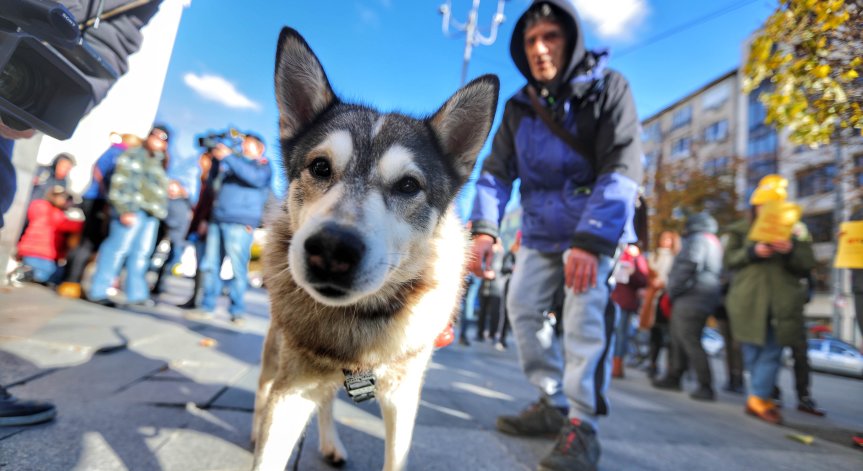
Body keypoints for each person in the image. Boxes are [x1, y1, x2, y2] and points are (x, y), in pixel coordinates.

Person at [468, 1, 643, 469]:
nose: (540, 49)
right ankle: (552, 402)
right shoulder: (519, 107)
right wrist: (484, 229)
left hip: (594, 231)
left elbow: (622, 166)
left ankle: (584, 425)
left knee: (585, 321)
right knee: (521, 307)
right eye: (530, 40)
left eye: (551, 36)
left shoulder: (608, 89)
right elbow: (494, 174)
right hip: (542, 231)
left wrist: (590, 242)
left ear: (571, 38)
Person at [724, 174, 816, 425]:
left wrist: (790, 251)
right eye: (762, 204)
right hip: (748, 299)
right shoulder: (740, 230)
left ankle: (758, 396)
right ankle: (759, 396)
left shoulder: (797, 231)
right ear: (754, 207)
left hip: (781, 300)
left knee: (773, 350)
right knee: (752, 349)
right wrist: (753, 251)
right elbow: (728, 260)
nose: (766, 209)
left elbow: (807, 264)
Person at [86, 125, 170, 307]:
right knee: (117, 249)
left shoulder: (159, 162)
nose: (157, 141)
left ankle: (136, 294)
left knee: (141, 254)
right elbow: (120, 183)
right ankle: (99, 290)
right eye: (154, 136)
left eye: (162, 139)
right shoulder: (132, 154)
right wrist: (124, 209)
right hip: (132, 210)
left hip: (151, 214)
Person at [197, 134, 272, 323]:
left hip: (241, 222)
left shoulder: (261, 165)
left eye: (249, 144)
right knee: (211, 266)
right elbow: (213, 185)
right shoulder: (231, 165)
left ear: (260, 148)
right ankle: (207, 306)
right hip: (218, 218)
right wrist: (216, 159)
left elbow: (255, 179)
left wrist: (229, 156)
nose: (244, 146)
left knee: (238, 269)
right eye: (244, 143)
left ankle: (236, 311)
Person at [56, 134, 140, 299]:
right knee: (87, 243)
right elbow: (103, 175)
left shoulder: (115, 152)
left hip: (97, 199)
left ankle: (73, 281)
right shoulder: (119, 153)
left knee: (88, 243)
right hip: (99, 201)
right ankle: (71, 282)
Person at [652, 212, 723, 401]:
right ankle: (674, 375)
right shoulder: (713, 240)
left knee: (688, 339)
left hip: (691, 295)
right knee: (680, 337)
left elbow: (689, 264)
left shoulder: (698, 240)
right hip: (703, 294)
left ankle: (705, 385)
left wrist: (673, 289)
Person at [14, 186, 84, 285]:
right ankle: (28, 273)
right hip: (44, 255)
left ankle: (25, 271)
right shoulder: (56, 214)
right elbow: (73, 226)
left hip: (29, 252)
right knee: (49, 276)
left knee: (45, 272)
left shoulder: (37, 206)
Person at [639, 230, 680, 379]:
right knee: (654, 333)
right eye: (663, 238)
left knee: (669, 335)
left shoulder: (676, 257)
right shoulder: (654, 256)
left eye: (668, 239)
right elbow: (646, 275)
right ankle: (652, 363)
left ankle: (671, 368)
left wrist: (664, 284)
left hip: (667, 298)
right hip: (653, 298)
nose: (665, 242)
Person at [610, 243, 648, 379]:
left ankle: (617, 365)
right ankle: (610, 362)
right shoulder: (616, 251)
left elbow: (643, 278)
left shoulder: (636, 258)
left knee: (620, 333)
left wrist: (631, 272)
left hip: (625, 301)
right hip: (611, 297)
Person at [475, 239, 505, 343]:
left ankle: (492, 334)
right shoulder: (487, 253)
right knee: (482, 311)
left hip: (496, 287)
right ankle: (480, 333)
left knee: (494, 313)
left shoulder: (502, 254)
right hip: (485, 286)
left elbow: (504, 268)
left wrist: (494, 274)